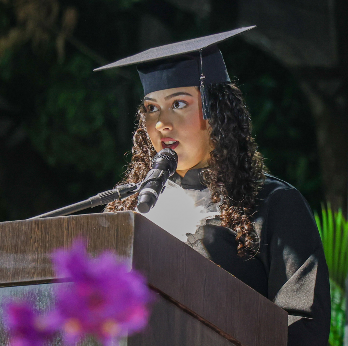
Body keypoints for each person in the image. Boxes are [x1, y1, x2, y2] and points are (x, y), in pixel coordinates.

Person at [97, 26, 331, 346]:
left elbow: (304, 324)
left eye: (179, 103)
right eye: (151, 108)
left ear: (215, 112)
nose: (162, 122)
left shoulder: (273, 204)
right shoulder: (130, 209)